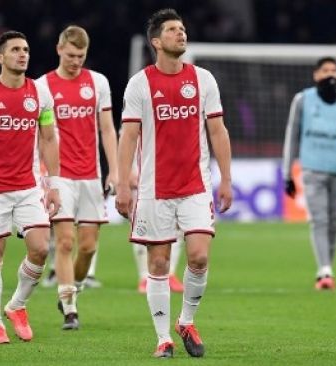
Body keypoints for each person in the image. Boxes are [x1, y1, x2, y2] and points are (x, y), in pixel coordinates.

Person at [115, 8, 233, 358]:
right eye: (172, 30)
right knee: (158, 264)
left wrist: (226, 178)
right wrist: (123, 184)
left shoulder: (203, 79)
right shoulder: (140, 83)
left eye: (183, 28)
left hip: (195, 186)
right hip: (154, 190)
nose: (181, 33)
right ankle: (163, 338)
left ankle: (186, 320)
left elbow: (217, 131)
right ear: (156, 41)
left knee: (198, 257)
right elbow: (128, 136)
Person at [0, 30, 61, 344]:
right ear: (0, 56)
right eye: (16, 49)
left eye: (26, 49)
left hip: (29, 186)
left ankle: (17, 305)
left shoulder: (40, 93)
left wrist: (54, 184)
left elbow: (48, 138)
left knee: (42, 248)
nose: (23, 54)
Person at [36, 25, 118, 330]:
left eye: (81, 56)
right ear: (59, 49)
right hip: (60, 176)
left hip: (90, 175)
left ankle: (72, 289)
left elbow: (107, 129)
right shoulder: (43, 86)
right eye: (70, 55)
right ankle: (70, 309)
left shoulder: (98, 83)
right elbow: (39, 136)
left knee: (88, 247)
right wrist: (45, 177)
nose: (75, 61)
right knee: (65, 242)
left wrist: (116, 170)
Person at [282, 57, 336, 290]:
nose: (330, 74)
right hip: (312, 169)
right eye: (325, 70)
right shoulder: (303, 99)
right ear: (316, 75)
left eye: (334, 69)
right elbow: (292, 135)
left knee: (335, 222)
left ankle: (327, 267)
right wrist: (287, 173)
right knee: (319, 220)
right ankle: (324, 270)